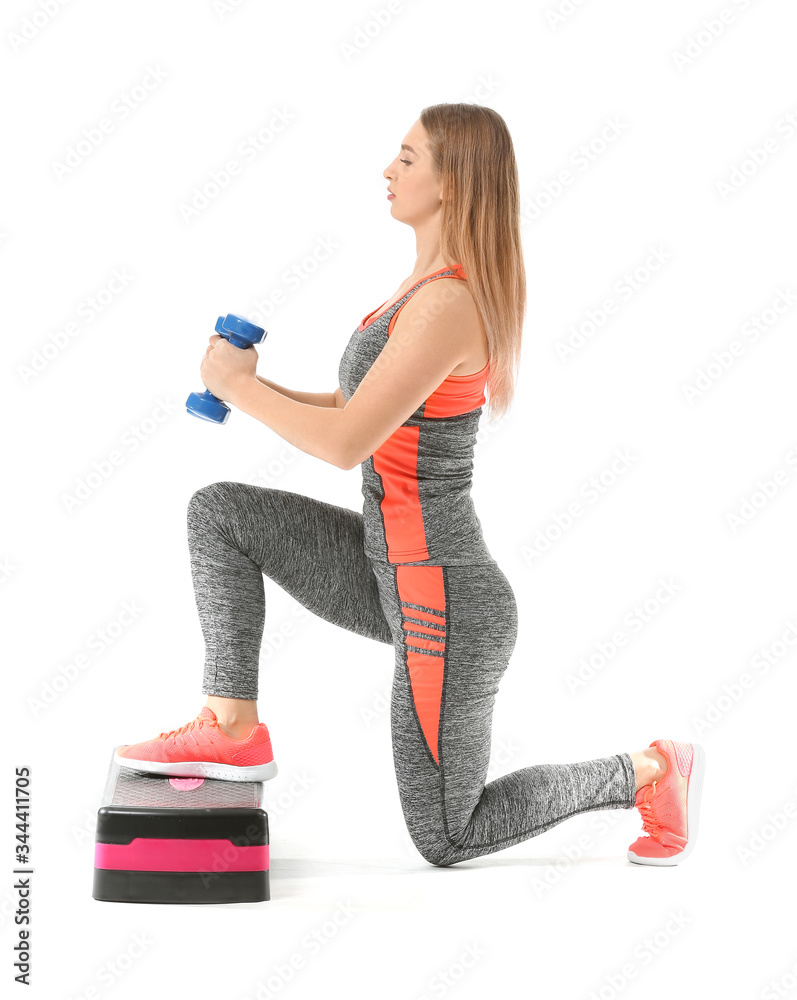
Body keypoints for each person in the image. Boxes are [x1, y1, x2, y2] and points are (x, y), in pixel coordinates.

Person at [115, 104, 704, 868]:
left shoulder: (450, 304)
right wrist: (253, 386)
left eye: (405, 157)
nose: (386, 171)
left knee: (446, 835)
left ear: (452, 182)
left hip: (445, 600)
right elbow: (360, 411)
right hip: (383, 566)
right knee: (221, 514)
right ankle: (229, 723)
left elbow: (345, 443)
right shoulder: (416, 290)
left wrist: (235, 385)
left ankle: (650, 769)